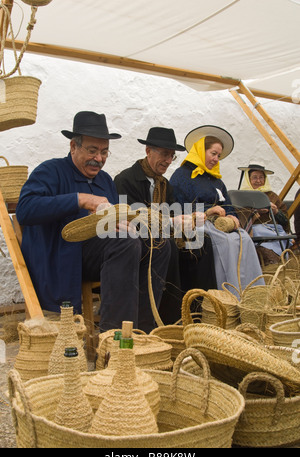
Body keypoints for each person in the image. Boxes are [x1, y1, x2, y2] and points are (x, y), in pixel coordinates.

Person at [16, 111, 171, 333]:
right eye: (92, 150)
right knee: (124, 243)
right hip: (63, 257)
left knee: (159, 243)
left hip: (105, 257)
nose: (99, 158)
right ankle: (115, 339)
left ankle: (142, 332)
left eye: (104, 151)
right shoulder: (51, 171)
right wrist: (80, 199)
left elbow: (115, 223)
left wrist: (127, 224)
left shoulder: (105, 180)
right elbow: (25, 210)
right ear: (73, 147)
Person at [115, 127, 217, 323]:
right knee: (166, 244)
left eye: (172, 156)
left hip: (162, 234)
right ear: (148, 151)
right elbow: (133, 219)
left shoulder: (164, 184)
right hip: (138, 241)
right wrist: (171, 222)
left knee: (202, 242)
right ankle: (170, 318)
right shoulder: (126, 180)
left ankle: (201, 312)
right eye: (164, 154)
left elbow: (173, 213)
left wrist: (190, 218)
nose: (169, 161)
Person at [169, 125, 264, 296]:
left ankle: (252, 294)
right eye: (213, 154)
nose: (216, 159)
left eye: (219, 156)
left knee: (244, 239)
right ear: (200, 151)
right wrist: (208, 212)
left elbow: (228, 205)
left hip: (220, 225)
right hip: (197, 224)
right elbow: (178, 208)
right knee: (225, 242)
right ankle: (227, 294)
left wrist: (234, 218)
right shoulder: (182, 175)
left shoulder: (217, 181)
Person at [238, 162, 292, 264]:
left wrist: (276, 211)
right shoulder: (240, 197)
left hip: (274, 234)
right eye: (254, 177)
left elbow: (285, 222)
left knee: (274, 251)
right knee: (262, 251)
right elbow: (238, 218)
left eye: (261, 177)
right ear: (248, 179)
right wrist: (254, 212)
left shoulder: (273, 196)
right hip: (253, 234)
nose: (258, 181)